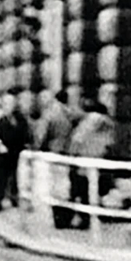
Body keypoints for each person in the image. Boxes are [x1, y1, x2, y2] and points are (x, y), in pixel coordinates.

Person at [65, 98, 115, 224]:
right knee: (92, 190)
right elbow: (110, 143)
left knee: (80, 191)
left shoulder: (89, 121)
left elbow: (77, 140)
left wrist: (72, 156)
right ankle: (89, 215)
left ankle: (82, 217)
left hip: (83, 162)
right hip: (99, 161)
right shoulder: (107, 123)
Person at [35, 88, 78, 224]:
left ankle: (59, 218)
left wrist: (39, 148)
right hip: (70, 153)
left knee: (56, 187)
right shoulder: (72, 113)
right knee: (66, 187)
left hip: (54, 153)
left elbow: (42, 135)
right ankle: (67, 216)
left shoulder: (50, 114)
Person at [0, 92, 30, 211]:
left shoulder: (19, 118)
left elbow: (24, 132)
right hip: (1, 153)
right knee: (1, 178)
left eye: (11, 103)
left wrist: (24, 144)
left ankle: (13, 198)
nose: (9, 106)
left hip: (15, 152)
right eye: (7, 103)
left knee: (14, 176)